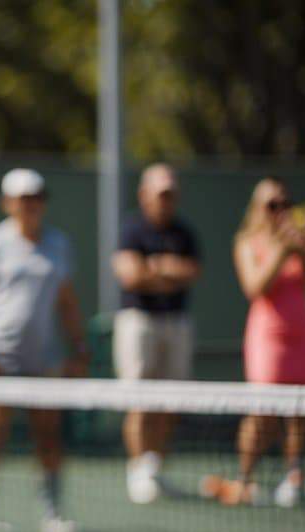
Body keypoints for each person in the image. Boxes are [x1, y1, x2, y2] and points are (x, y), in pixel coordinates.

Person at [0, 169, 88, 532]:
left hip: (44, 360)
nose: (30, 205)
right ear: (8, 203)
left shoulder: (59, 244)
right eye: (22, 198)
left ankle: (53, 512)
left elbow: (66, 301)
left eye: (36, 197)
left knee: (48, 434)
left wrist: (78, 346)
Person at [202, 178, 305, 507]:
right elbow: (255, 286)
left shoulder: (300, 246)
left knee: (304, 413)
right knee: (262, 414)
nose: (279, 211)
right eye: (272, 205)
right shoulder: (247, 242)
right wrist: (281, 251)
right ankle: (245, 480)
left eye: (284, 204)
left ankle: (295, 476)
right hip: (267, 339)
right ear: (257, 208)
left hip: (302, 336)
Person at [113, 164, 203, 504]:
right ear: (144, 195)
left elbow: (192, 271)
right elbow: (130, 276)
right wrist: (167, 269)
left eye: (172, 194)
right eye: (161, 194)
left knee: (170, 401)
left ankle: (154, 466)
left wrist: (152, 267)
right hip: (139, 321)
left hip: (176, 322)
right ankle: (138, 468)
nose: (167, 201)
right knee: (139, 399)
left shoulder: (185, 233)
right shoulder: (132, 229)